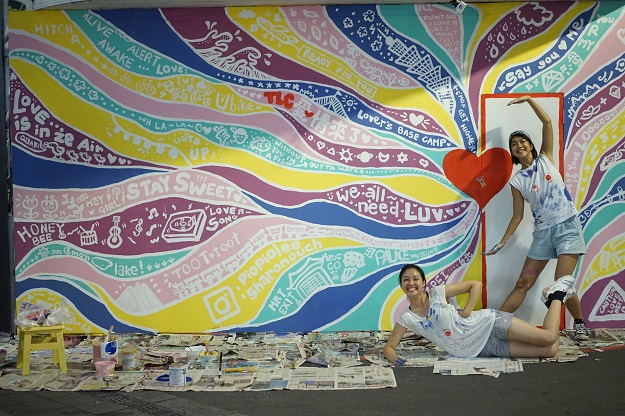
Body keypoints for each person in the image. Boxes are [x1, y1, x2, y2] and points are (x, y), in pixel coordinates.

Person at [482, 95, 589, 340]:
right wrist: (502, 242)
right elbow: (517, 216)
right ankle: (492, 327)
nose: (519, 145)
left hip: (567, 228)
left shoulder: (546, 158)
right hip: (542, 235)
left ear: (531, 145)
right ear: (512, 152)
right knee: (523, 283)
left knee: (562, 283)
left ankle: (580, 323)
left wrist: (530, 100)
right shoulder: (517, 181)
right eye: (514, 144)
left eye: (522, 141)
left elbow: (547, 122)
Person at [383, 264, 575, 364]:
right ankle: (551, 299)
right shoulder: (407, 318)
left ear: (423, 283)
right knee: (550, 350)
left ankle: (557, 295)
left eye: (415, 279)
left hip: (490, 323)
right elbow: (389, 347)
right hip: (483, 349)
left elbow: (475, 285)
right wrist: (394, 358)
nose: (411, 283)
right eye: (406, 280)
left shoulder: (437, 293)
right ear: (401, 285)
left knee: (548, 337)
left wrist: (468, 310)